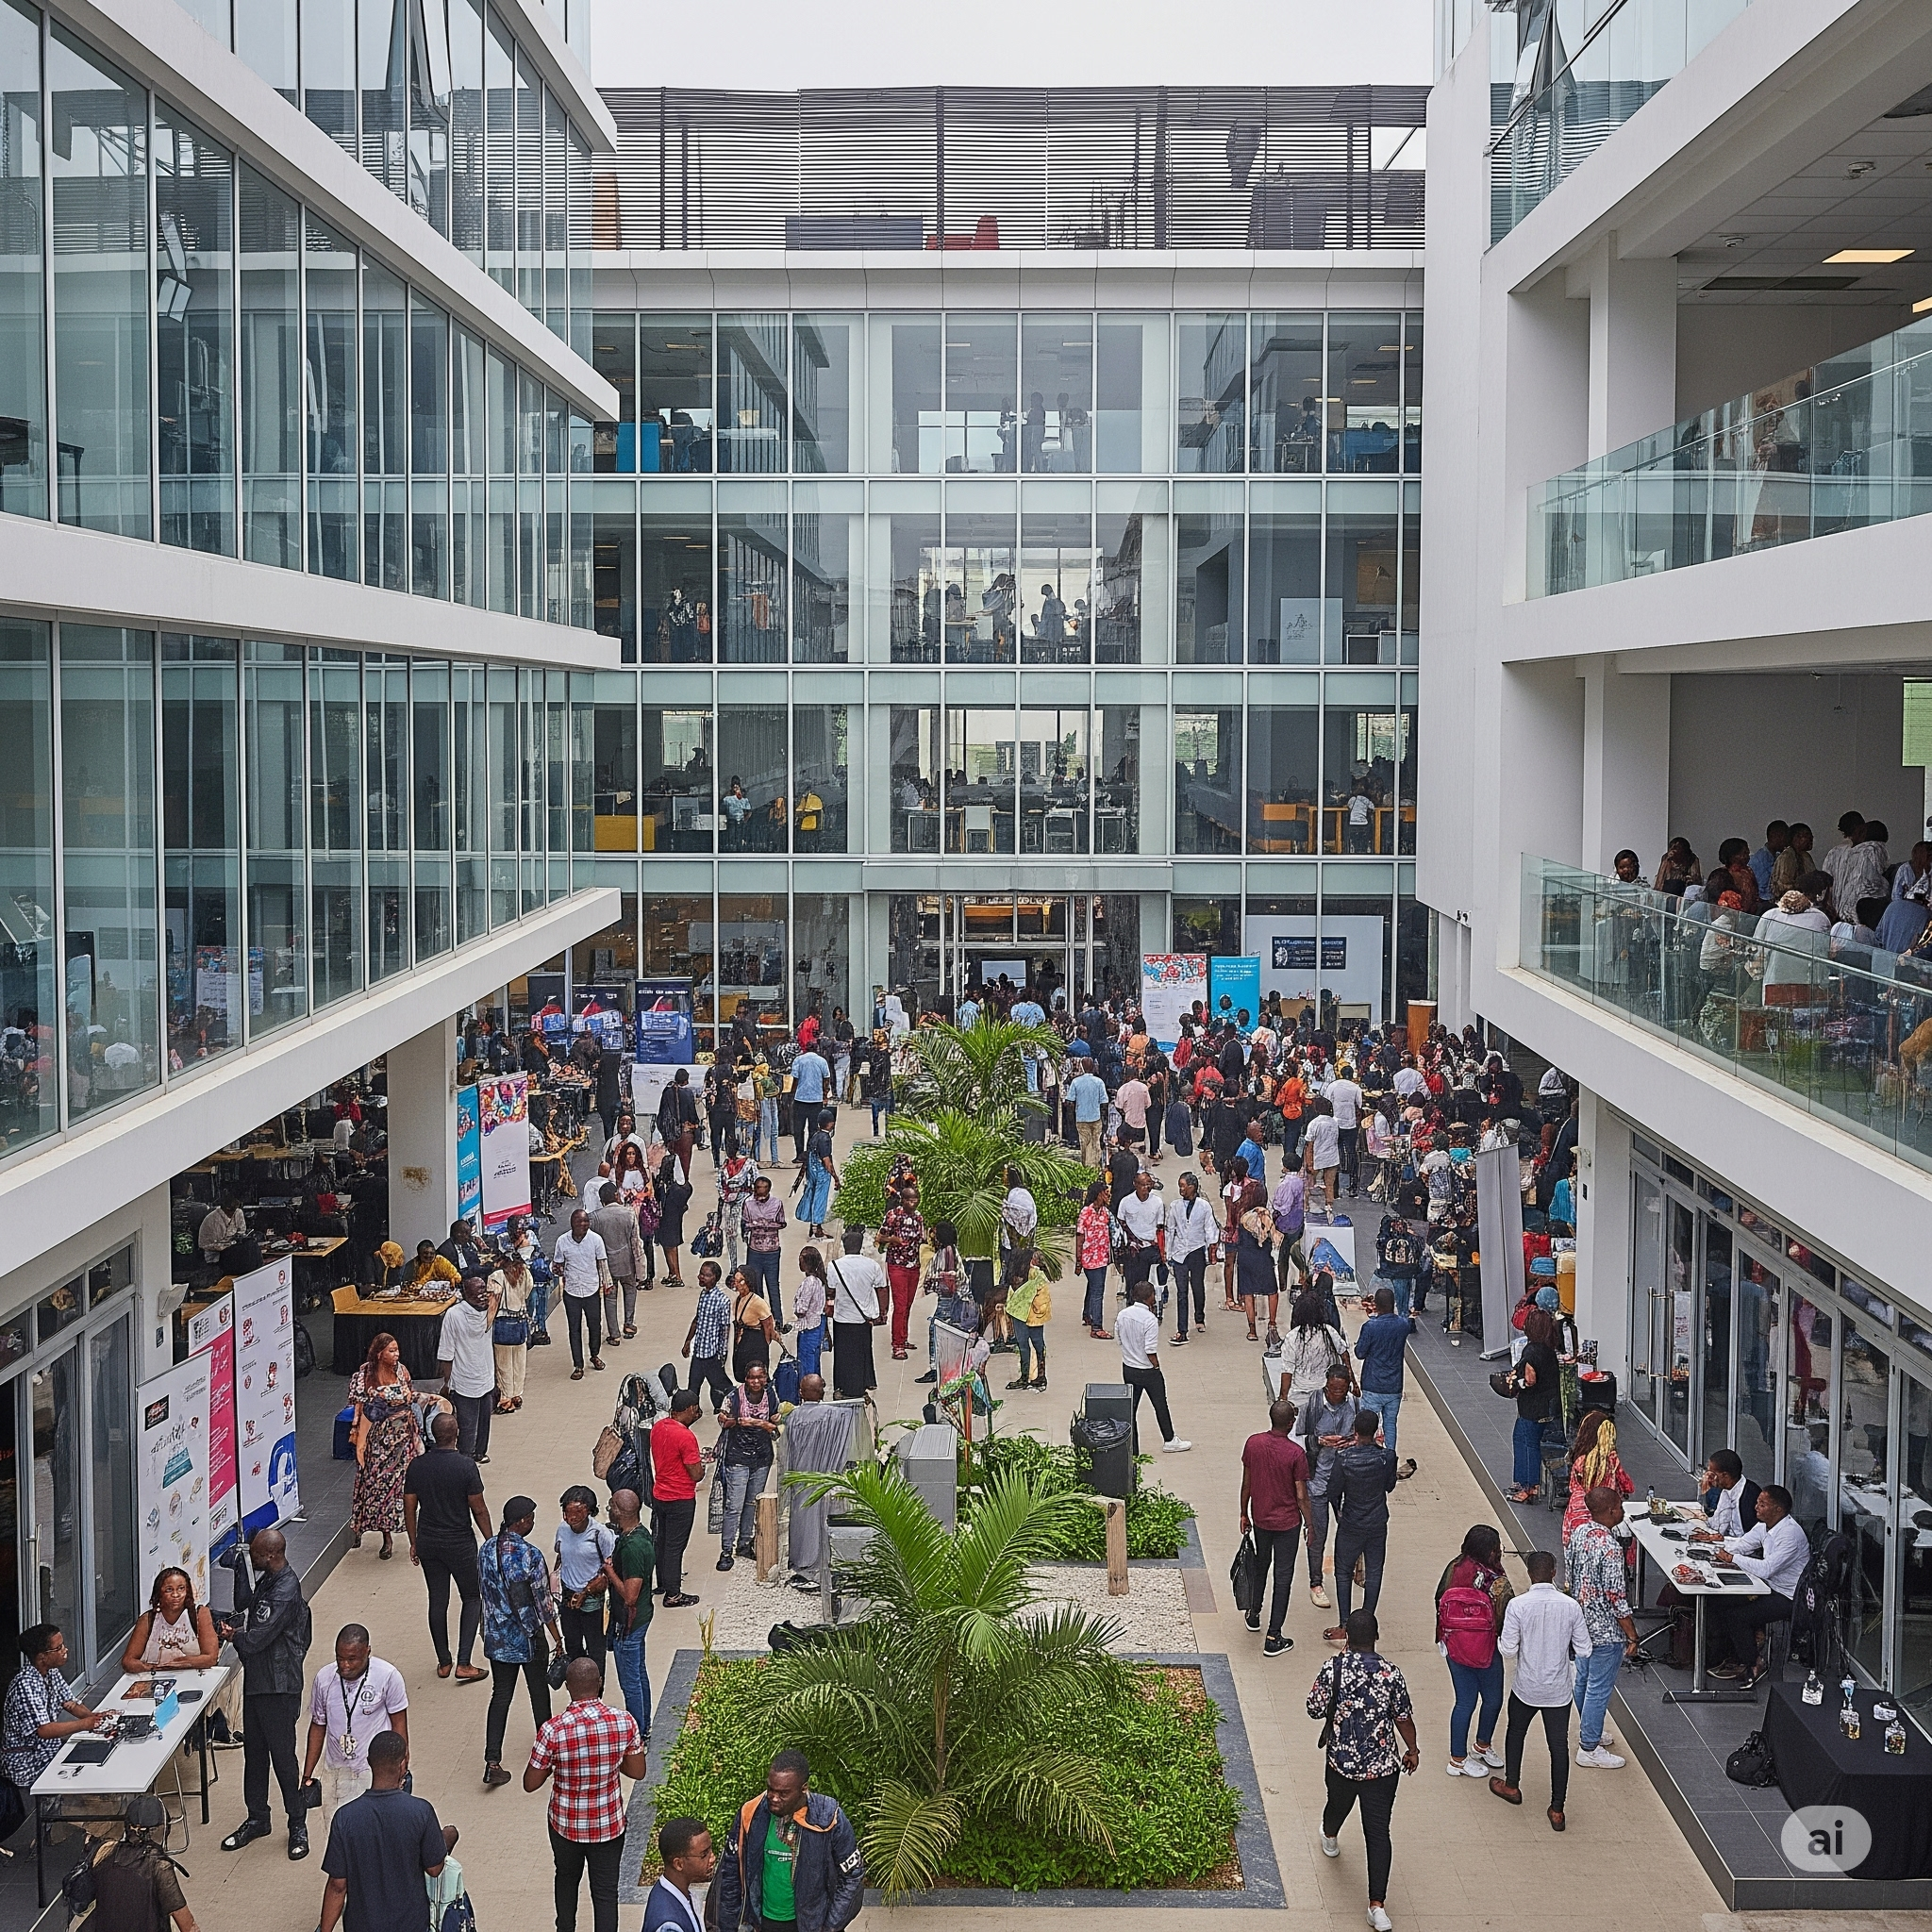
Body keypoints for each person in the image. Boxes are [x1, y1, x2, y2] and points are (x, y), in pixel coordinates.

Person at [1307, 1609, 1419, 1932]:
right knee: (1378, 1832)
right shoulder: (1391, 1673)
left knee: (1338, 1805)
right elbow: (1403, 1719)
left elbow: (1313, 1709)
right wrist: (1412, 1750)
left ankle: (1329, 1835)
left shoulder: (1334, 1668)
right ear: (1377, 1636)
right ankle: (1377, 1906)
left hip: (1341, 1763)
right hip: (1383, 1768)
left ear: (1346, 1637)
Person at [525, 1658, 645, 1932]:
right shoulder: (624, 1721)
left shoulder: (552, 1730)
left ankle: (565, 1927)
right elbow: (638, 1771)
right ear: (600, 1683)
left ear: (567, 1687)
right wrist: (611, 1762)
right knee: (605, 1894)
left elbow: (530, 1783)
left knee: (566, 1879)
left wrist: (556, 1765)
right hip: (609, 1826)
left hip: (565, 1826)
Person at [218, 1527, 314, 1858]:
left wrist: (234, 1636)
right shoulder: (270, 1579)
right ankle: (258, 1818)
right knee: (254, 1755)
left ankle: (297, 1823)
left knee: (283, 1759)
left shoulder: (285, 1589)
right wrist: (238, 1568)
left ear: (271, 1556)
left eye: (256, 1556)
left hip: (279, 1685)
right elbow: (245, 1603)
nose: (253, 1560)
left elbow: (257, 1638)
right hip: (259, 1682)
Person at [1489, 1551, 1591, 1831]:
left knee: (1515, 1732)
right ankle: (1557, 1809)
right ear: (1554, 1572)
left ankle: (1511, 1786)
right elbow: (1585, 1649)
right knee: (1558, 1748)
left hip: (1526, 1687)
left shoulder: (1518, 1606)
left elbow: (1508, 1650)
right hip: (1558, 1691)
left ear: (1530, 1574)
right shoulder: (1570, 1606)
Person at [712, 1749, 865, 1932]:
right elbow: (731, 1874)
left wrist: (830, 1927)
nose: (774, 1798)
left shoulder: (829, 1818)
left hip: (812, 1925)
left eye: (783, 1793)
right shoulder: (751, 1813)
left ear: (804, 1788)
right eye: (770, 1789)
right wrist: (729, 1926)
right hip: (764, 1923)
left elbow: (852, 1876)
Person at [317, 1730, 445, 1932]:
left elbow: (337, 1885)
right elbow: (434, 1868)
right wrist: (447, 1837)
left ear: (369, 1761)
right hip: (411, 1925)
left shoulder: (345, 1818)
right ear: (404, 1762)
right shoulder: (421, 1811)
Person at [403, 1412, 491, 1685]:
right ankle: (464, 1662)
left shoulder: (417, 1466)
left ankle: (444, 1661)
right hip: (460, 1542)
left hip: (430, 1541)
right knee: (472, 1597)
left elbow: (409, 1506)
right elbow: (478, 1508)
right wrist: (490, 1541)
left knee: (438, 1599)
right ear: (457, 1435)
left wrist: (414, 1541)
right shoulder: (465, 1466)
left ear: (433, 1435)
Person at [480, 1495, 560, 1789]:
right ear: (523, 1521)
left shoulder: (487, 1549)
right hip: (526, 1638)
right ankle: (549, 1753)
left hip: (496, 1637)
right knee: (539, 1692)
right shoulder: (531, 1556)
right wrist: (556, 1637)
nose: (533, 1522)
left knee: (501, 1695)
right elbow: (543, 1603)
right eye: (532, 1518)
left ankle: (492, 1761)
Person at [1707, 1484, 1808, 1687]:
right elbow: (1742, 1545)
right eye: (1757, 1502)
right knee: (1718, 1600)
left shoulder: (1790, 1535)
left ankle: (1754, 1662)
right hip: (1766, 1586)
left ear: (1778, 1510)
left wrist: (1732, 1558)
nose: (1756, 1507)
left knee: (1737, 1617)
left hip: (1787, 1596)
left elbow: (1766, 1569)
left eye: (1762, 1504)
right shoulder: (1764, 1526)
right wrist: (1712, 1542)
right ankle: (1730, 1653)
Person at [301, 1624, 408, 1818]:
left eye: (352, 1659)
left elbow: (399, 1724)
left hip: (374, 1772)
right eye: (339, 1659)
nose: (345, 1666)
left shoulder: (388, 1676)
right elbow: (318, 1726)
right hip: (336, 1771)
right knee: (338, 1832)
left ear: (367, 1651)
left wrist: (401, 1764)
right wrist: (307, 1774)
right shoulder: (324, 1679)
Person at [1565, 1486, 1638, 1768]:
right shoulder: (1610, 1548)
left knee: (1583, 1680)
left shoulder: (1579, 1532)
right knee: (1598, 1688)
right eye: (1620, 1506)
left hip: (1580, 1624)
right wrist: (1631, 1634)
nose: (1622, 1511)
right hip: (1606, 1632)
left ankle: (1589, 1729)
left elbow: (1570, 1577)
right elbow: (1617, 1597)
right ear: (1610, 1511)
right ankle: (1589, 1747)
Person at [1433, 1526, 1509, 1778]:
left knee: (1470, 1701)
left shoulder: (1454, 1567)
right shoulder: (1494, 1579)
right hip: (1485, 1646)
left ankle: (1479, 1747)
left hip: (1454, 1644)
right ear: (1490, 1551)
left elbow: (1439, 1598)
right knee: (1487, 1699)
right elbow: (1505, 1615)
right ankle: (1458, 1760)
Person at [1240, 1398, 1310, 1657]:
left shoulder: (1253, 1443)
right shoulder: (1296, 1454)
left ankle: (1254, 1611)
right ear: (1291, 1424)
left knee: (1261, 1565)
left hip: (1261, 1519)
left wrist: (1243, 1513)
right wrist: (1311, 1524)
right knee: (1283, 1576)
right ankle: (1273, 1636)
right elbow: (1301, 1496)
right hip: (1288, 1523)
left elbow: (1247, 1482)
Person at [1, 1623, 98, 1794]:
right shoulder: (25, 1684)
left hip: (49, 1749)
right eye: (58, 1648)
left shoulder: (50, 1672)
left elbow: (71, 1703)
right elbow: (44, 1730)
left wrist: (96, 1718)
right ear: (42, 1657)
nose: (65, 1650)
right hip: (28, 1761)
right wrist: (84, 1724)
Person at [1325, 1410, 1397, 1641]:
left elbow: (1333, 1491)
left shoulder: (1344, 1458)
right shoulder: (1387, 1457)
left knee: (1343, 1572)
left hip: (1351, 1523)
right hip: (1377, 1523)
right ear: (1376, 1431)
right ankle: (1366, 1625)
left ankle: (1345, 1624)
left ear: (1354, 1431)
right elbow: (1389, 1486)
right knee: (1374, 1573)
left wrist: (1340, 1514)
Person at [79, 1793, 196, 1932]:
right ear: (162, 1828)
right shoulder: (159, 1867)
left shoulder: (105, 1850)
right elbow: (188, 1926)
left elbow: (80, 1897)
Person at [717, 1363, 779, 1570]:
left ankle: (744, 1543)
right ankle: (726, 1550)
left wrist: (766, 1424)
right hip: (737, 1457)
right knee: (733, 1506)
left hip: (761, 1457)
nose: (756, 1382)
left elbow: (775, 1423)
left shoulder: (771, 1396)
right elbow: (723, 1421)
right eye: (752, 1378)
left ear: (765, 1378)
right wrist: (735, 1421)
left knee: (752, 1504)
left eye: (760, 1377)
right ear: (745, 1379)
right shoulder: (733, 1397)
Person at [1117, 1277, 1190, 1454]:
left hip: (1128, 1368)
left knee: (1131, 1410)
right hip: (1148, 1371)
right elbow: (1150, 1350)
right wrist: (1156, 1367)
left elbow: (1119, 1339)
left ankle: (1132, 1448)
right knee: (1160, 1404)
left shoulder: (1123, 1315)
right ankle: (1169, 1439)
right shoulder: (1150, 1319)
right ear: (1149, 1298)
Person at [606, 1488, 654, 1742]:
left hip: (630, 1623)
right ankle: (645, 1727)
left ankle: (638, 1736)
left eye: (612, 1506)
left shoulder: (633, 1548)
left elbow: (630, 1596)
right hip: (640, 1618)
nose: (609, 1509)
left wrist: (609, 1571)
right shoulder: (639, 1534)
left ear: (621, 1512)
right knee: (639, 1672)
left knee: (630, 1682)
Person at [1353, 1286, 1417, 1474]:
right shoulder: (1403, 1325)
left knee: (1368, 1425)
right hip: (1394, 1385)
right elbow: (1410, 1324)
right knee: (1390, 1423)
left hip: (1373, 1383)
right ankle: (1390, 1461)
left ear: (1376, 1305)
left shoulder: (1370, 1327)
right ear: (1393, 1304)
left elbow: (1360, 1353)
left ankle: (1367, 1462)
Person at [437, 1274, 500, 1462]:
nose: (483, 1295)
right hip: (464, 1380)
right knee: (467, 1424)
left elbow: (498, 1290)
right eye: (478, 1292)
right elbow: (446, 1353)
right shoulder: (454, 1315)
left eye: (484, 1291)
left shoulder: (489, 1311)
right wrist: (447, 1382)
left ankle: (479, 1453)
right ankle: (466, 1457)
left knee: (483, 1422)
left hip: (485, 1377)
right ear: (466, 1294)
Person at [554, 1485, 617, 1672]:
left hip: (592, 1599)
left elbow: (609, 1565)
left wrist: (586, 1591)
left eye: (577, 1513)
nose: (571, 1518)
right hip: (567, 1597)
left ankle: (596, 1690)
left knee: (596, 1647)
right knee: (572, 1645)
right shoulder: (562, 1529)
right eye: (567, 1512)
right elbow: (560, 1554)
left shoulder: (600, 1534)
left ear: (590, 1511)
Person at [650, 1391, 704, 1608]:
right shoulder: (686, 1437)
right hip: (680, 1498)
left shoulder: (658, 1427)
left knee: (661, 1542)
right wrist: (703, 1467)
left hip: (660, 1494)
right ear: (691, 1409)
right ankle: (673, 1595)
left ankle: (662, 1583)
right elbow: (696, 1474)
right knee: (674, 1547)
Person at [1507, 1307, 1561, 1505]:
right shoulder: (1549, 1349)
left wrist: (1516, 1383)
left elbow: (1530, 1379)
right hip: (1548, 1406)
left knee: (1526, 1443)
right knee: (1527, 1440)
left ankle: (1528, 1486)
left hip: (1532, 1407)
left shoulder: (1531, 1350)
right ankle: (1528, 1483)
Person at [121, 1566, 222, 1673]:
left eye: (181, 1588)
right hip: (156, 1677)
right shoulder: (147, 1620)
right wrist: (152, 1668)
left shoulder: (199, 1614)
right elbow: (128, 1661)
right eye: (169, 1590)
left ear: (187, 1591)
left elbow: (211, 1658)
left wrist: (180, 1664)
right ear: (159, 1594)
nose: (175, 1595)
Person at [828, 1225, 886, 1400]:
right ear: (860, 1246)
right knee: (862, 1352)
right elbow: (881, 1289)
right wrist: (882, 1313)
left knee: (843, 1354)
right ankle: (862, 1385)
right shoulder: (872, 1265)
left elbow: (830, 1290)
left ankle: (842, 1387)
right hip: (863, 1318)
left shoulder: (834, 1266)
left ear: (844, 1246)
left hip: (842, 1318)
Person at [552, 1208, 610, 1380]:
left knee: (595, 1325)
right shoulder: (562, 1241)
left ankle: (594, 1354)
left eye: (586, 1222)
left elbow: (602, 1264)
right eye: (580, 1222)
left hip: (592, 1289)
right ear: (572, 1224)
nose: (583, 1225)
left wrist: (608, 1283)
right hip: (572, 1292)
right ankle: (578, 1365)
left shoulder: (596, 1240)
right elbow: (557, 1264)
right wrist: (556, 1269)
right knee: (574, 1329)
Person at [1561, 1410, 1632, 1547]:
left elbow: (1572, 1488)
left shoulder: (1580, 1461)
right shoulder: (1611, 1461)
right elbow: (1628, 1487)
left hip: (1578, 1515)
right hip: (1606, 1517)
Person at [588, 1183, 645, 1345]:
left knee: (610, 1297)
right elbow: (636, 1241)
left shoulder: (594, 1218)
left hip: (607, 1266)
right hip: (627, 1261)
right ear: (615, 1195)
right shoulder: (629, 1214)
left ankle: (614, 1334)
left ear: (601, 1199)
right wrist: (640, 1265)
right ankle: (628, 1323)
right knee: (630, 1290)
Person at [1165, 1170, 1216, 1343]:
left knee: (1197, 1286)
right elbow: (1170, 1229)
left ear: (1192, 1187)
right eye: (1180, 1186)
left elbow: (1209, 1228)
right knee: (1181, 1292)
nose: (1181, 1189)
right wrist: (1168, 1251)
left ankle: (1199, 1317)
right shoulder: (1175, 1206)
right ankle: (1182, 1330)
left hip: (1196, 1250)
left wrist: (1212, 1248)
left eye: (1183, 1186)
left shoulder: (1204, 1206)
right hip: (1180, 1253)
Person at [879, 1179, 926, 1362]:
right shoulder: (893, 1216)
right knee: (899, 1305)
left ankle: (903, 1337)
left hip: (913, 1265)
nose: (913, 1203)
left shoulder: (918, 1218)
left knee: (907, 1304)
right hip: (897, 1265)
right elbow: (880, 1237)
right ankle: (897, 1345)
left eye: (916, 1200)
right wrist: (894, 1240)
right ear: (903, 1200)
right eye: (910, 1200)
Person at [1284, 1290, 1354, 1411]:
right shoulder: (1329, 1332)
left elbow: (1287, 1371)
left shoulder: (1292, 1337)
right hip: (1326, 1394)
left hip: (1299, 1394)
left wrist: (1283, 1399)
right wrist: (1353, 1380)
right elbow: (1344, 1354)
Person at [489, 1244, 537, 1414]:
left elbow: (492, 1304)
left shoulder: (496, 1276)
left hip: (502, 1324)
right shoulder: (525, 1273)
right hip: (520, 1323)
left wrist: (486, 1326)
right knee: (519, 1362)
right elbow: (527, 1293)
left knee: (503, 1364)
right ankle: (517, 1395)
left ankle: (506, 1399)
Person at [644, 1817, 716, 1932]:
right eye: (704, 1854)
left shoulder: (672, 1891)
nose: (712, 1858)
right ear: (678, 1864)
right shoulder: (669, 1926)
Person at [741, 1174, 788, 1322]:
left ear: (769, 1189)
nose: (760, 1191)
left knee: (773, 1286)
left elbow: (782, 1223)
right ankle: (759, 1318)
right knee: (755, 1286)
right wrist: (755, 1225)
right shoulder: (748, 1204)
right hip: (754, 1250)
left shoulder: (777, 1204)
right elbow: (744, 1224)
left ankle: (778, 1320)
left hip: (772, 1252)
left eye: (764, 1188)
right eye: (758, 1188)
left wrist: (766, 1224)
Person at [1004, 1252, 1051, 1391]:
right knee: (1038, 1344)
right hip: (1033, 1317)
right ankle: (1040, 1376)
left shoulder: (1020, 1275)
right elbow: (1042, 1300)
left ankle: (1026, 1377)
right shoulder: (1039, 1277)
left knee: (1024, 1345)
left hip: (1021, 1315)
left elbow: (1011, 1294)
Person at [791, 1108, 839, 1241]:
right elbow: (826, 1161)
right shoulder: (825, 1139)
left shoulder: (815, 1135)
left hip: (811, 1171)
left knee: (811, 1196)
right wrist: (835, 1178)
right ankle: (817, 1229)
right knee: (820, 1199)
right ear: (830, 1124)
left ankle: (813, 1226)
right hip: (821, 1173)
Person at [1076, 1178, 1113, 1339]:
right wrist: (1078, 1260)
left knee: (1093, 1287)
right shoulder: (1086, 1212)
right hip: (1090, 1258)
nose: (1108, 1195)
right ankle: (1097, 1327)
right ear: (1099, 1194)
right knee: (1098, 1290)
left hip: (1102, 1257)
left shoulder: (1105, 1213)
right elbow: (1079, 1237)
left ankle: (1087, 1314)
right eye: (1106, 1193)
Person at [793, 1246, 830, 1381]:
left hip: (809, 1327)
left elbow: (801, 1308)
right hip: (818, 1324)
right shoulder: (820, 1281)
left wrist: (796, 1305)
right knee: (814, 1359)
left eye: (801, 1261)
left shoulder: (809, 1283)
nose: (799, 1264)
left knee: (806, 1360)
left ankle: (808, 1388)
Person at [1068, 1058, 1108, 1166]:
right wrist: (1105, 1120)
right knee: (1095, 1142)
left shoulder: (1076, 1082)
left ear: (1082, 1067)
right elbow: (1104, 1103)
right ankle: (1094, 1166)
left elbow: (1070, 1102)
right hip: (1096, 1117)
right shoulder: (1099, 1082)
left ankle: (1086, 1165)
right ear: (1093, 1067)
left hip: (1081, 1118)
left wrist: (1072, 1117)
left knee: (1084, 1143)